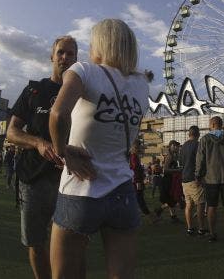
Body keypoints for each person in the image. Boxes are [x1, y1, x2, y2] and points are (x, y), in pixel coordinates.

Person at [48, 18, 149, 279]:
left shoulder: (85, 70)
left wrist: (63, 152)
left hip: (81, 187)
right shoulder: (141, 84)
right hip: (122, 189)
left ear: (101, 44)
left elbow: (58, 115)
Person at [6, 35, 77, 279]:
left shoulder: (83, 94)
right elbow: (12, 132)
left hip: (70, 181)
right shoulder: (34, 89)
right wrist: (38, 142)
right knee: (36, 243)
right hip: (33, 177)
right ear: (52, 56)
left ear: (77, 59)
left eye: (70, 54)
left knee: (70, 244)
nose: (65, 58)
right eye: (60, 52)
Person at [196, 116, 224, 242]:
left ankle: (213, 234)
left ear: (212, 125)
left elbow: (200, 159)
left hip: (211, 178)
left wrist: (198, 175)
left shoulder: (204, 140)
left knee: (211, 207)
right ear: (221, 124)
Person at [181, 125, 206, 236]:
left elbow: (181, 162)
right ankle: (201, 228)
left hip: (184, 179)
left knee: (188, 205)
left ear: (189, 134)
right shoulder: (198, 145)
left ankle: (190, 228)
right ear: (198, 134)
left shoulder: (183, 146)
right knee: (200, 204)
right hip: (194, 178)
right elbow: (201, 161)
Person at [156, 140, 182, 222]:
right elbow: (166, 170)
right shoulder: (170, 156)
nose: (177, 148)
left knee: (171, 199)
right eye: (176, 146)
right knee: (171, 199)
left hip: (170, 180)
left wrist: (176, 169)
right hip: (168, 180)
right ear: (172, 146)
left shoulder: (173, 155)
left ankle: (169, 214)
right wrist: (177, 170)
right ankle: (171, 215)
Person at [129, 139, 154, 221]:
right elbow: (135, 169)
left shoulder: (134, 156)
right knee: (140, 200)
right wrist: (138, 182)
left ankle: (149, 217)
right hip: (136, 182)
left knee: (138, 200)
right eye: (139, 146)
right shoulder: (133, 157)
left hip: (136, 181)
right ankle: (150, 218)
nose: (140, 148)